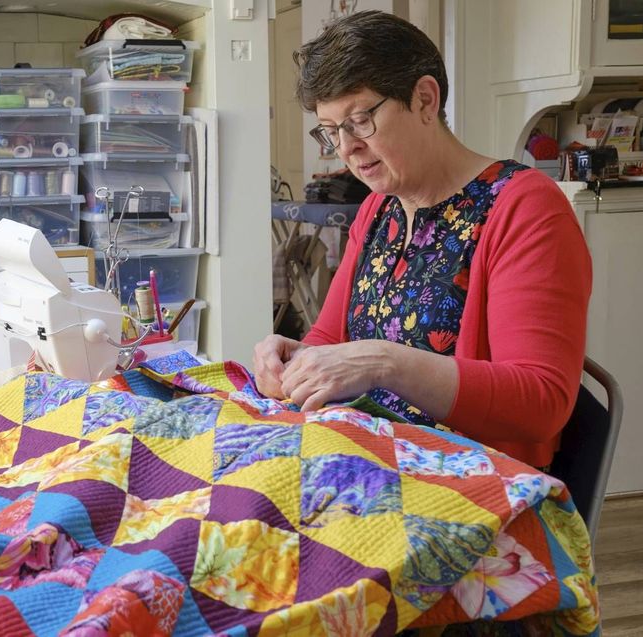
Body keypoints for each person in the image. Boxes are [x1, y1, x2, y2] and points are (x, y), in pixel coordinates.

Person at [252, 10, 591, 468]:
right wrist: (292, 357)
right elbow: (328, 336)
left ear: (425, 100)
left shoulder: (524, 208)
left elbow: (540, 403)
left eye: (359, 121)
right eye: (331, 132)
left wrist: (384, 364)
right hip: (368, 457)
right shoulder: (378, 208)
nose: (346, 148)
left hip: (472, 484)